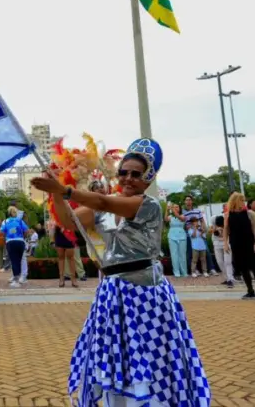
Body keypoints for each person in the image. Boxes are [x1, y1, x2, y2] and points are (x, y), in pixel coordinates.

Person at [32, 138, 209, 406]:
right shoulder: (104, 207)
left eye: (135, 174)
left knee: (149, 358)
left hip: (144, 296)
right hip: (112, 293)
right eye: (123, 172)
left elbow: (103, 201)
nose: (127, 178)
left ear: (148, 179)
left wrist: (65, 190)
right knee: (115, 357)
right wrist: (55, 192)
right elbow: (69, 220)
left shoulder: (148, 205)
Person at [225, 193, 255, 301]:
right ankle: (250, 291)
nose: (243, 203)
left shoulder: (248, 213)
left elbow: (254, 228)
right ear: (235, 201)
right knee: (243, 268)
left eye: (243, 201)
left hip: (249, 242)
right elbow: (226, 229)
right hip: (236, 243)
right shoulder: (228, 214)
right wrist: (225, 243)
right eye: (241, 200)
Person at [1, 207, 29, 287]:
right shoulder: (20, 221)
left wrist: (6, 238)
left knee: (14, 261)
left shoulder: (5, 221)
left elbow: (2, 232)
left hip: (10, 241)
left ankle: (16, 280)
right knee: (20, 260)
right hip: (20, 241)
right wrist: (23, 237)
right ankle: (21, 278)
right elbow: (26, 231)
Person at [165, 203, 188, 277]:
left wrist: (173, 210)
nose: (175, 208)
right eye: (174, 207)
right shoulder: (171, 217)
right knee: (174, 255)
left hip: (182, 236)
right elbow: (165, 219)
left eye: (177, 207)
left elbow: (180, 218)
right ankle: (176, 272)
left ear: (180, 208)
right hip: (172, 236)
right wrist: (167, 210)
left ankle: (184, 272)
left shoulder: (183, 215)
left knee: (182, 255)